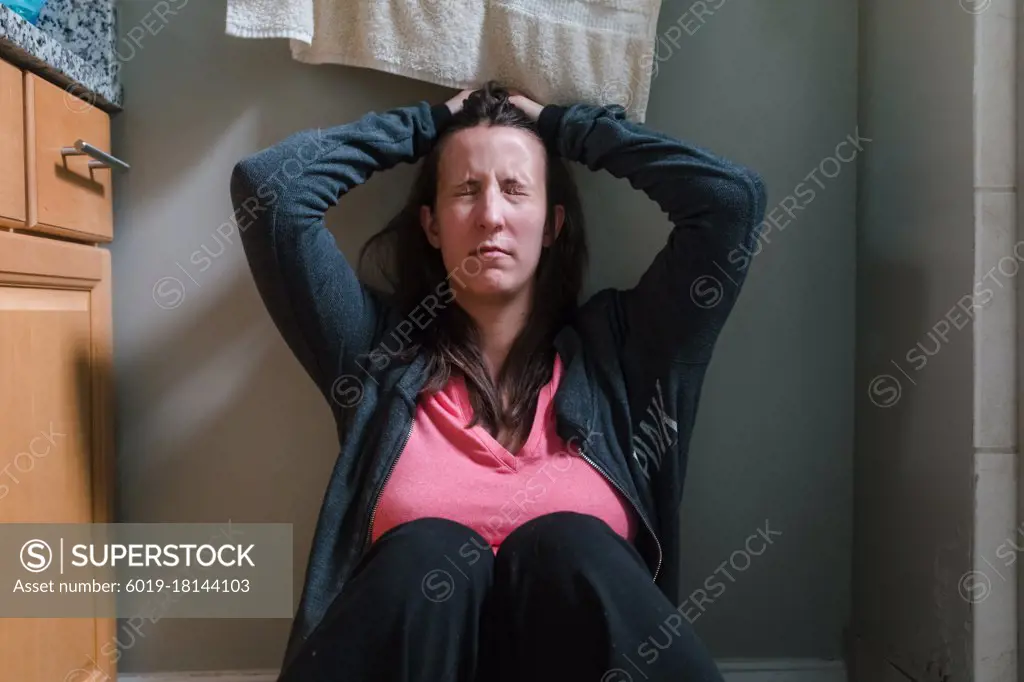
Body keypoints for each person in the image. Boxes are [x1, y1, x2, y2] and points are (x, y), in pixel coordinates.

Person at [230, 81, 767, 682]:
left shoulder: (629, 354)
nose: (490, 215)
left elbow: (731, 201)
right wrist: (426, 124)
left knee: (567, 544)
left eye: (515, 190)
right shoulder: (376, 352)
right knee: (433, 552)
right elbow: (271, 189)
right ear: (431, 226)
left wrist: (569, 128)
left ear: (551, 225)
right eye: (466, 191)